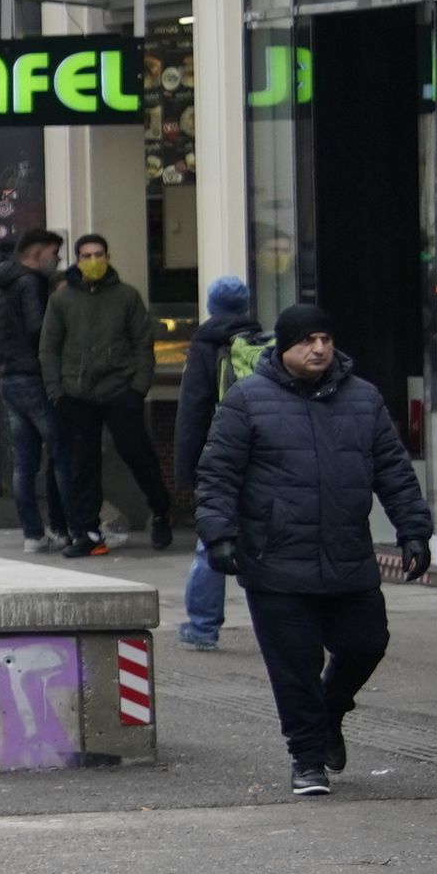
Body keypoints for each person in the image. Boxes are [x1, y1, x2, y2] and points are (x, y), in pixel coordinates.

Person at [194, 301, 431, 798]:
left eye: (325, 338)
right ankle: (307, 759)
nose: (319, 348)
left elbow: (393, 470)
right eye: (307, 340)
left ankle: (331, 710)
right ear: (285, 347)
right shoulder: (247, 400)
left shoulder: (363, 400)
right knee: (294, 667)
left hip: (347, 555)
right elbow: (218, 475)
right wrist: (219, 535)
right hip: (275, 560)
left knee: (367, 642)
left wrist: (414, 530)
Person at [42, 232, 170, 555]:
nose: (93, 261)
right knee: (82, 462)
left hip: (120, 389)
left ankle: (160, 510)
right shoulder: (61, 300)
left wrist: (138, 387)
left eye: (99, 254)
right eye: (86, 255)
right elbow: (49, 349)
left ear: (108, 257)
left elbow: (143, 344)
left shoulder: (127, 297)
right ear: (77, 260)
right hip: (77, 392)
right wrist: (58, 392)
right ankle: (88, 531)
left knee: (136, 452)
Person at [169, 277, 262, 652]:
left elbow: (192, 411)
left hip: (218, 455)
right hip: (260, 452)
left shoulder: (205, 344)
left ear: (211, 305)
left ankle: (203, 626)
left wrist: (184, 469)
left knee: (212, 538)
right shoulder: (260, 341)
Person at [0, 229, 65, 552]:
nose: (57, 260)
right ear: (38, 253)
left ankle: (32, 534)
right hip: (33, 378)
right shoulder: (30, 283)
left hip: (10, 378)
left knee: (25, 462)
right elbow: (39, 329)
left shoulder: (3, 284)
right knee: (63, 453)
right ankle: (69, 528)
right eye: (54, 254)